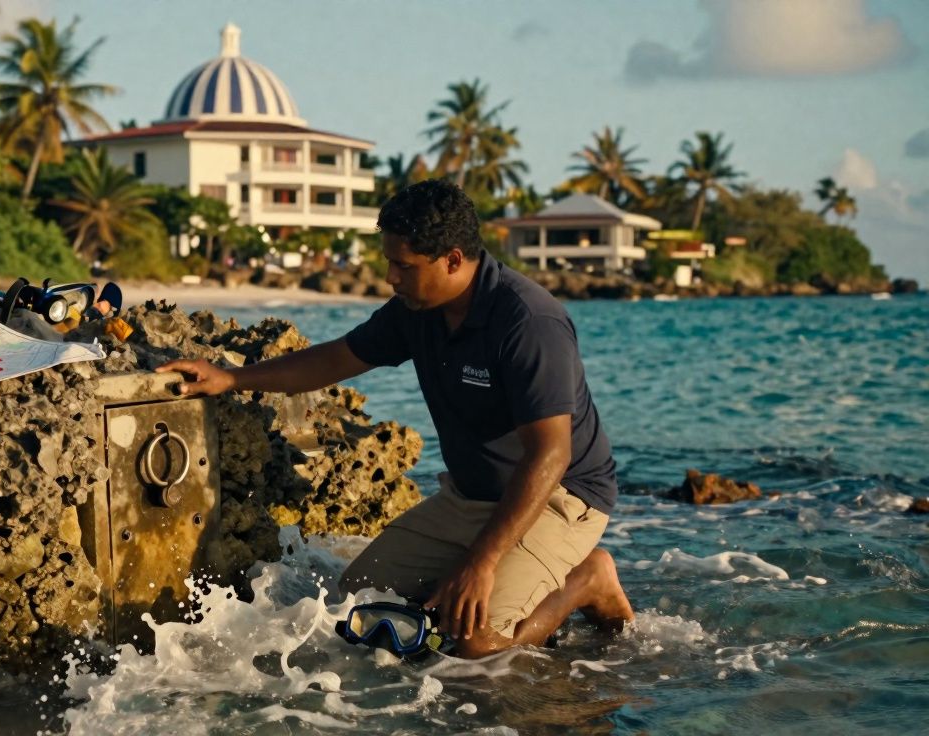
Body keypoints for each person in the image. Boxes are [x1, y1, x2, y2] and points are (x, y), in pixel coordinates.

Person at [158, 180, 633, 657]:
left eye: (403, 265)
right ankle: (491, 573)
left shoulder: (529, 323)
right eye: (389, 262)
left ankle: (586, 581)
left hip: (558, 497)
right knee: (357, 604)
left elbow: (551, 454)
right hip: (472, 498)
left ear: (451, 259)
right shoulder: (416, 311)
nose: (390, 277)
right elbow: (333, 360)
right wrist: (231, 378)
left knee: (472, 645)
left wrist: (481, 563)